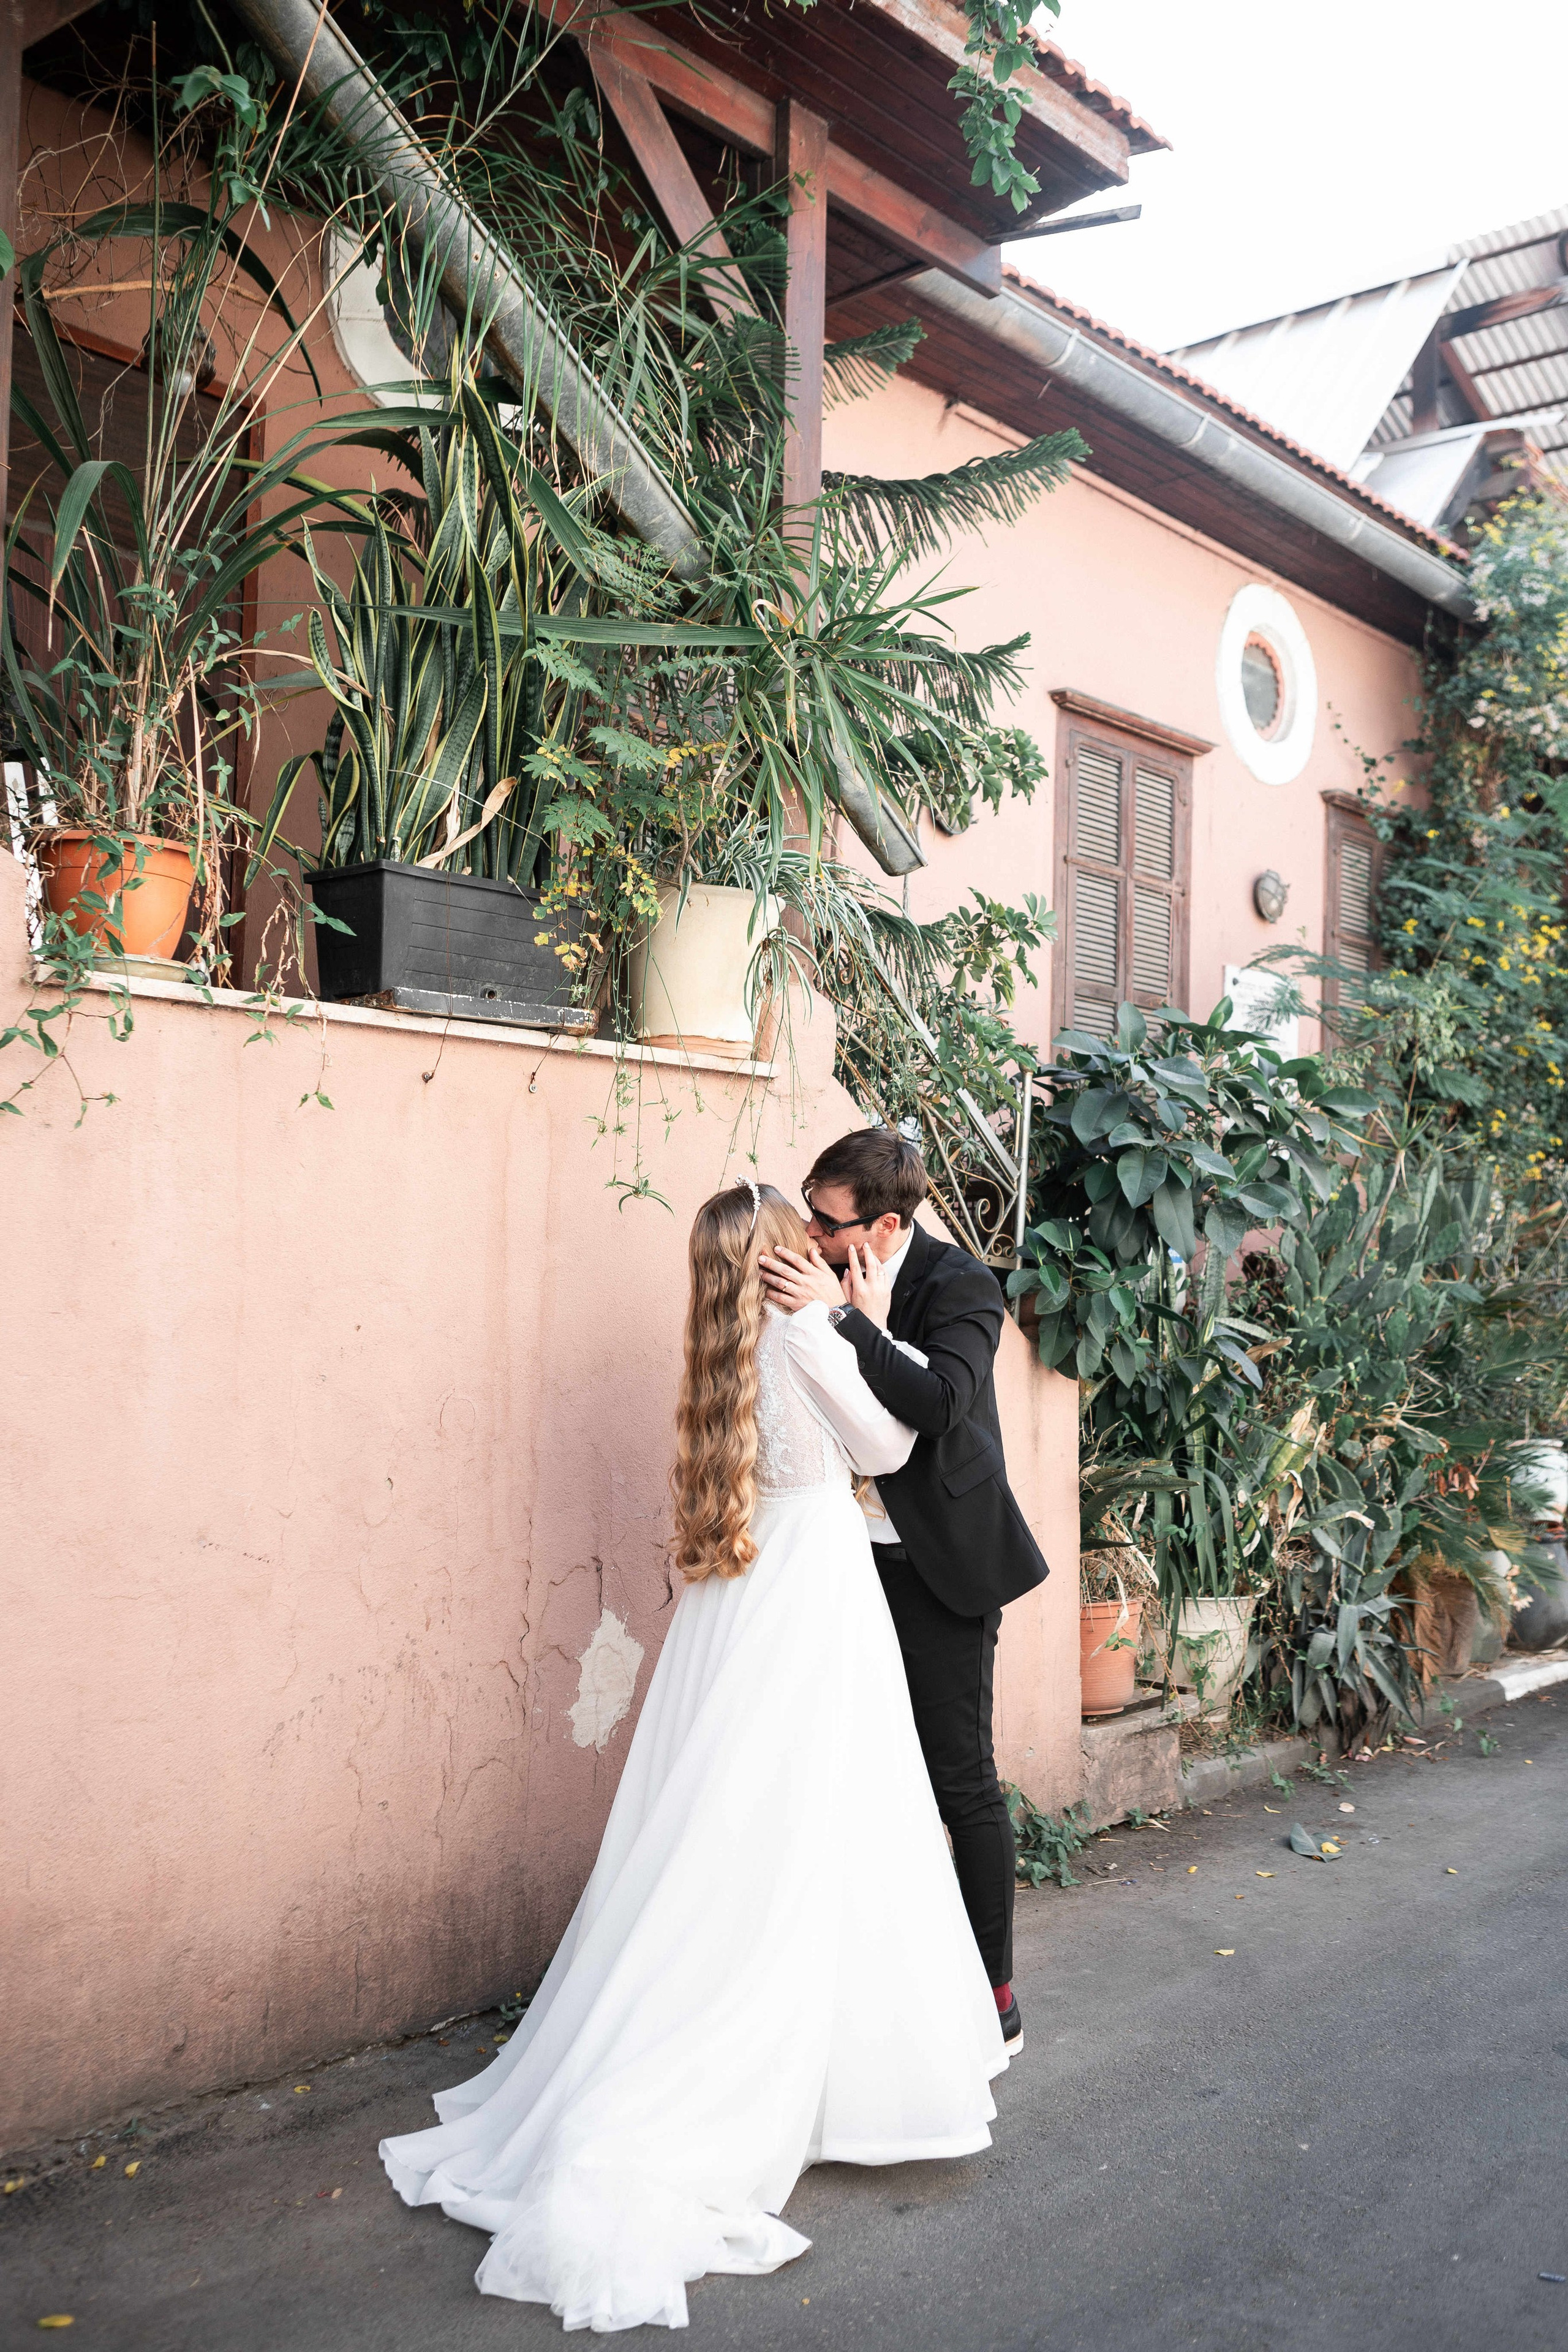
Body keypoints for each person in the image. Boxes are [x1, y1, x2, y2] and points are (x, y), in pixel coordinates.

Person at [380, 1181, 1006, 2332]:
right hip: (815, 1595)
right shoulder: (805, 1331)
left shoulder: (720, 1343)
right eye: (801, 1237)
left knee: (725, 1822)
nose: (820, 1245)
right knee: (828, 1822)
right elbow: (894, 1440)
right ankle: (809, 2074)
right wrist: (850, 1312)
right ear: (778, 1256)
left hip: (739, 1605)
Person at [759, 1129, 1049, 2056]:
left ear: (883, 1226)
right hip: (837, 1559)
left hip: (939, 1568)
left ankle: (993, 1990)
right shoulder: (816, 1271)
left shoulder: (961, 1286)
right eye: (810, 1208)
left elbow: (937, 1408)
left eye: (827, 1220)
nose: (810, 1232)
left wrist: (845, 1320)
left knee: (957, 1779)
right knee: (856, 1772)